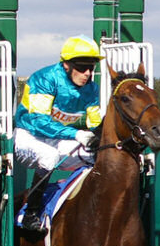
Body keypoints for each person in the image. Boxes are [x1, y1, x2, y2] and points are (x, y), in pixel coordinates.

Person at [14, 35, 103, 235]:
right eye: (82, 67)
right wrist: (76, 134)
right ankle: (30, 214)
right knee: (49, 156)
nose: (87, 73)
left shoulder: (91, 89)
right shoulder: (45, 78)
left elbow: (95, 123)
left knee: (96, 159)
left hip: (59, 139)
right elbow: (38, 122)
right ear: (66, 65)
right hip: (28, 137)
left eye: (91, 68)